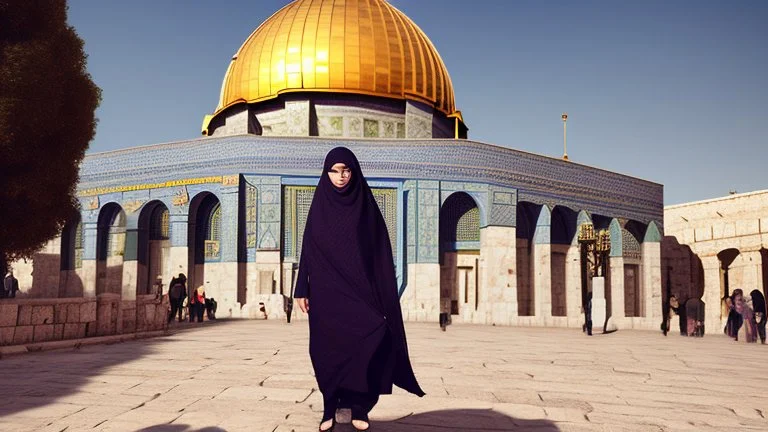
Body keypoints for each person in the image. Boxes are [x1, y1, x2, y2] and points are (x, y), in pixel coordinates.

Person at [293, 147, 424, 432]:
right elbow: (307, 250)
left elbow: (379, 252)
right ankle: (330, 406)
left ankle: (360, 406)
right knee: (325, 351)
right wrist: (301, 288)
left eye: (346, 170)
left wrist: (384, 294)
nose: (340, 177)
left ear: (354, 172)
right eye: (335, 171)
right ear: (326, 173)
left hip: (361, 291)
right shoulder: (318, 208)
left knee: (369, 343)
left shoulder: (366, 207)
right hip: (326, 293)